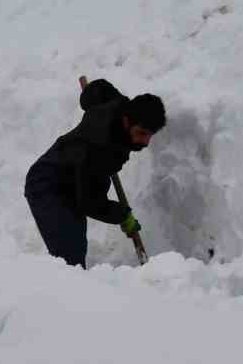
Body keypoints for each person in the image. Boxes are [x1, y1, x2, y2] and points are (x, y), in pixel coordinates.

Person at [24, 79, 165, 266]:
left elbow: (99, 89)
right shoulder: (100, 147)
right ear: (126, 121)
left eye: (149, 135)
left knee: (74, 249)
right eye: (141, 133)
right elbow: (89, 202)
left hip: (73, 179)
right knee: (70, 261)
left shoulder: (120, 104)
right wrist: (122, 215)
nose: (145, 142)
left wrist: (88, 95)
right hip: (48, 186)